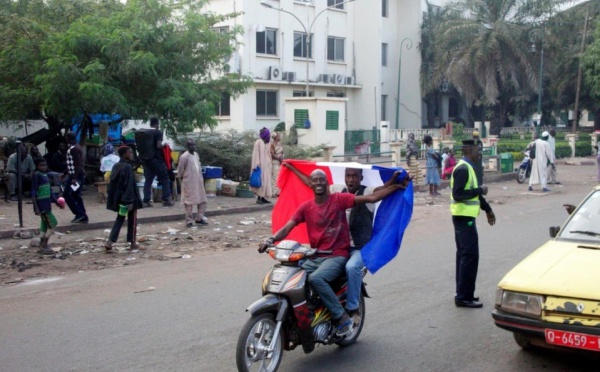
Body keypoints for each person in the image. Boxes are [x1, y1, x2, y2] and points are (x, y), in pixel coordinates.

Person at [258, 169, 407, 336]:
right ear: (311, 184)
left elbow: (373, 197)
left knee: (317, 278)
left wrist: (396, 186)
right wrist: (270, 240)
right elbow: (286, 228)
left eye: (322, 180)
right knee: (292, 277)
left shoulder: (339, 200)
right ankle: (305, 311)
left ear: (327, 184)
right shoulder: (306, 207)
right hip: (316, 255)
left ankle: (341, 316)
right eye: (315, 180)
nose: (319, 183)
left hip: (337, 254)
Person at [451, 139, 496, 308]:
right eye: (477, 150)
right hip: (464, 219)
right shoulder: (463, 169)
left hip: (465, 218)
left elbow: (475, 195)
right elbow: (458, 194)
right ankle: (463, 297)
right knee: (469, 257)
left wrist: (487, 209)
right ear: (469, 150)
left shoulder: (468, 167)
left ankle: (465, 293)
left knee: (464, 256)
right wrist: (480, 190)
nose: (479, 153)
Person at [105, 146, 143, 253]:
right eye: (129, 153)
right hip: (129, 200)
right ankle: (132, 242)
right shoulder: (127, 167)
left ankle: (110, 241)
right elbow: (129, 185)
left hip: (120, 199)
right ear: (124, 154)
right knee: (133, 221)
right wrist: (129, 201)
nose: (131, 154)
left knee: (120, 219)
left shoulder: (116, 166)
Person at [31, 158, 64, 255]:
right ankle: (44, 244)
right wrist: (36, 207)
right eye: (41, 165)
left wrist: (57, 202)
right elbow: (33, 192)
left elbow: (50, 192)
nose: (43, 167)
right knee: (53, 223)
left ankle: (41, 245)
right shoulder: (37, 175)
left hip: (46, 204)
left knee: (44, 224)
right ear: (37, 166)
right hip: (42, 205)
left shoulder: (45, 175)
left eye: (45, 165)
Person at [142, 117, 174, 208]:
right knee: (165, 178)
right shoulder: (158, 132)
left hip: (146, 160)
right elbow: (158, 146)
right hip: (156, 159)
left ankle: (146, 201)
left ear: (150, 124)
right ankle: (166, 200)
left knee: (148, 180)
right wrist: (164, 144)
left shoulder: (145, 133)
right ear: (157, 124)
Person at [176, 139, 208, 228]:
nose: (192, 147)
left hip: (199, 181)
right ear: (187, 146)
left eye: (194, 145)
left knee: (203, 200)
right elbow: (180, 170)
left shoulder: (196, 155)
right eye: (190, 145)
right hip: (189, 182)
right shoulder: (184, 157)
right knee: (189, 202)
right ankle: (189, 221)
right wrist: (183, 179)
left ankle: (199, 218)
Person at [61, 132, 89, 223]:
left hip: (76, 176)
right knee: (76, 195)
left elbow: (77, 164)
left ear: (68, 138)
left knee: (68, 194)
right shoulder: (76, 147)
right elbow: (72, 163)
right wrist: (65, 173)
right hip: (75, 175)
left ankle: (79, 214)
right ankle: (83, 215)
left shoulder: (74, 149)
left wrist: (74, 178)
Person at [250, 127, 273, 204]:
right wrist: (256, 165)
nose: (269, 135)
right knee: (261, 181)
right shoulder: (258, 142)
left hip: (267, 166)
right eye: (268, 134)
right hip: (260, 166)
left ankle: (263, 197)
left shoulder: (267, 143)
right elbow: (255, 154)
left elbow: (268, 154)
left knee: (266, 181)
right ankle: (259, 198)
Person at [270, 131, 284, 197]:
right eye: (278, 136)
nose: (279, 137)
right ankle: (274, 192)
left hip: (280, 161)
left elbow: (282, 152)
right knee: (275, 177)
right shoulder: (272, 144)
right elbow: (272, 154)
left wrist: (282, 158)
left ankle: (279, 192)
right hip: (275, 162)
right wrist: (278, 158)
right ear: (275, 137)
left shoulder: (280, 144)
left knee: (280, 176)